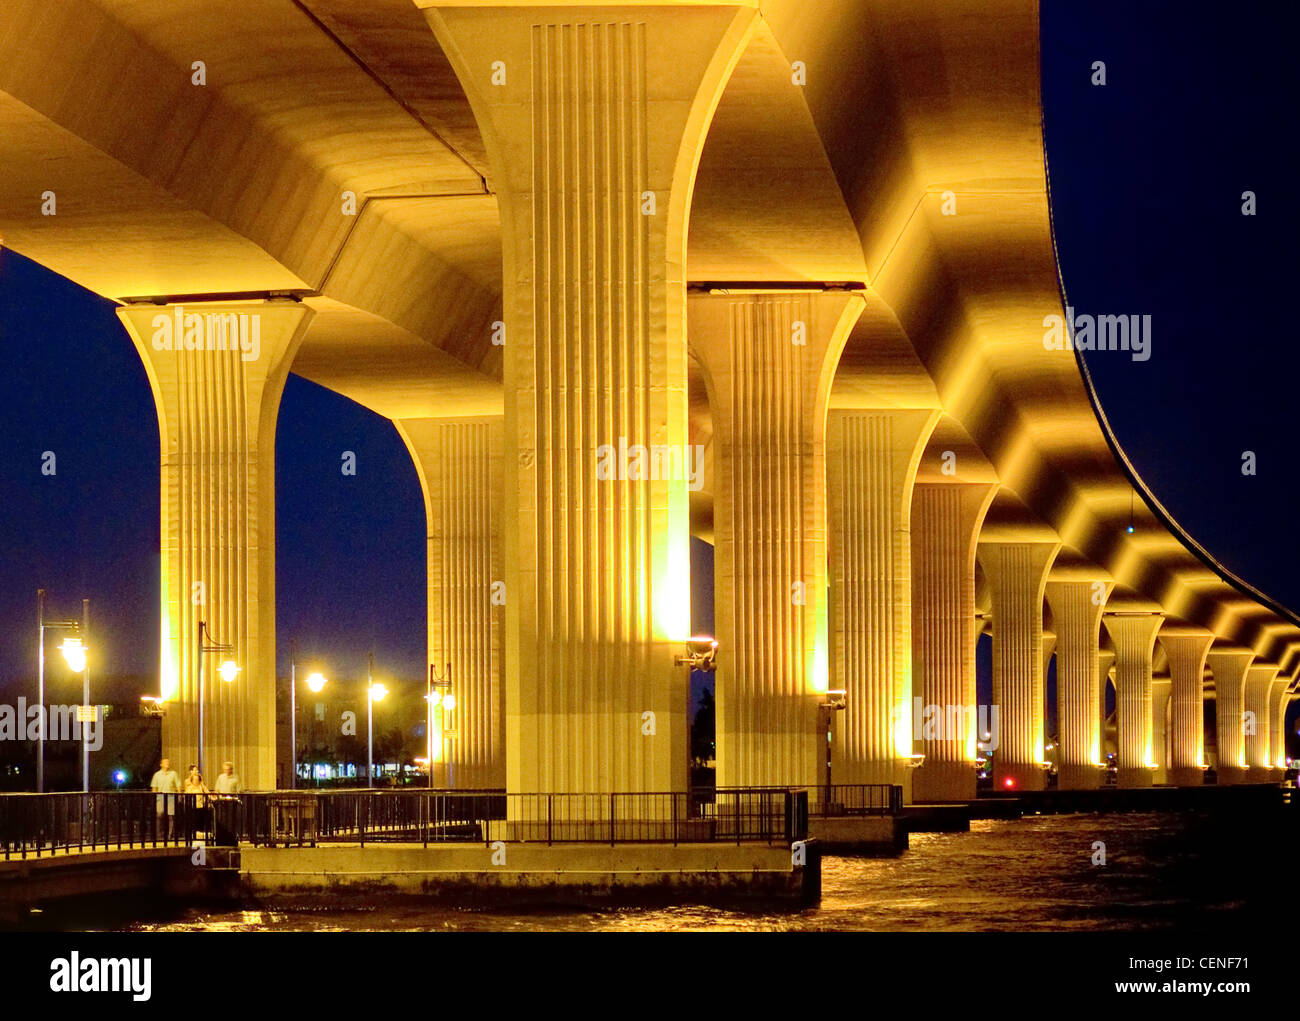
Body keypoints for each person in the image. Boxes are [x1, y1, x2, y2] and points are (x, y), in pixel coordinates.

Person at [150, 757, 181, 840]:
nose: (167, 764)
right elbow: (154, 787)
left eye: (168, 762)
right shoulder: (157, 775)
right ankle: (159, 835)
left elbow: (178, 785)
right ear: (161, 764)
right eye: (165, 762)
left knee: (171, 816)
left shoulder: (173, 774)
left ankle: (170, 835)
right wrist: (155, 796)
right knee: (159, 815)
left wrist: (179, 795)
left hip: (171, 796)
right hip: (160, 797)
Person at [184, 765, 210, 837]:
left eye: (197, 770)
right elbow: (187, 792)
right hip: (192, 805)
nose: (196, 771)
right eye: (195, 770)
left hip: (200, 805)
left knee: (200, 820)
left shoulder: (201, 783)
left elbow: (206, 790)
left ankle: (200, 834)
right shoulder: (188, 782)